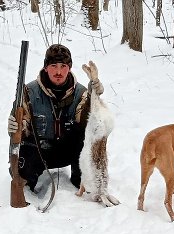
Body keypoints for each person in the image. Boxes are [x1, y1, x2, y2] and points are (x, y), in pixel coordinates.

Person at [8, 44, 104, 191]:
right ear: (46, 67)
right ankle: (27, 187)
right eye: (53, 65)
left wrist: (93, 96)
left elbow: (88, 123)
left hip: (68, 151)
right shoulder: (28, 92)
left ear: (69, 68)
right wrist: (14, 127)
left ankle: (81, 180)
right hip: (40, 151)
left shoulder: (81, 93)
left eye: (63, 66)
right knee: (23, 173)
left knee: (87, 137)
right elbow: (20, 130)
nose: (58, 71)